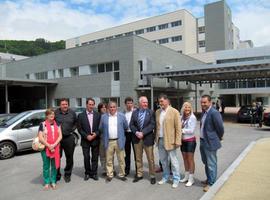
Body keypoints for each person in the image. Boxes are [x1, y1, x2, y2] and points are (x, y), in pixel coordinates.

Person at [155, 94, 181, 188]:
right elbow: (157, 127)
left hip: (171, 141)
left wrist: (178, 140)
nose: (160, 103)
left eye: (162, 101)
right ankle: (165, 177)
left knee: (173, 161)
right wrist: (156, 139)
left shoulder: (174, 112)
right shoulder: (158, 112)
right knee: (163, 161)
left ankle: (176, 178)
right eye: (159, 101)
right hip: (160, 140)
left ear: (167, 101)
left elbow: (178, 128)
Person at [200, 95, 224, 192]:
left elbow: (220, 128)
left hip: (210, 142)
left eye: (205, 102)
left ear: (210, 102)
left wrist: (217, 138)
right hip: (203, 141)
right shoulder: (204, 112)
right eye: (201, 102)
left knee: (211, 163)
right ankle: (209, 179)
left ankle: (212, 183)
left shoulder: (214, 113)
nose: (203, 104)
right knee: (206, 162)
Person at [99, 101, 128, 182]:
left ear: (116, 107)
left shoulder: (121, 116)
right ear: (108, 108)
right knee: (109, 160)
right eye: (110, 107)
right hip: (108, 141)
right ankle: (109, 174)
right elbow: (100, 128)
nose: (112, 108)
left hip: (119, 141)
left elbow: (126, 126)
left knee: (121, 160)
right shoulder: (103, 117)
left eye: (114, 107)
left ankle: (122, 174)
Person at [130, 96, 156, 185]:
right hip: (137, 139)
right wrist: (136, 132)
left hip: (147, 138)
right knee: (138, 158)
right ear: (140, 103)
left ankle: (152, 175)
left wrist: (143, 133)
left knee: (150, 159)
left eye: (147, 102)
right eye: (144, 102)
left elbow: (152, 125)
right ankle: (139, 174)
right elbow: (131, 125)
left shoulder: (151, 112)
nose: (146, 104)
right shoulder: (134, 113)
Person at [38, 108, 62, 190]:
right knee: (46, 166)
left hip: (55, 148)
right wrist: (49, 146)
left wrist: (54, 145)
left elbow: (60, 136)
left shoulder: (57, 124)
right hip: (45, 148)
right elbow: (40, 137)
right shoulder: (42, 124)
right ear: (46, 116)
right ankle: (47, 182)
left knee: (54, 166)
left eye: (53, 114)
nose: (52, 115)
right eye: (50, 114)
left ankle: (53, 181)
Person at [77, 98, 101, 181]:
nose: (91, 106)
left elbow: (100, 128)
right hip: (85, 140)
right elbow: (79, 129)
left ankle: (94, 173)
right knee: (86, 157)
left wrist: (95, 134)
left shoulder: (98, 115)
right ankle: (87, 173)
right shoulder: (80, 115)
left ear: (94, 105)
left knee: (94, 158)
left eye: (92, 104)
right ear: (86, 105)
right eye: (89, 104)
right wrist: (86, 136)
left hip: (95, 139)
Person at [55, 98, 77, 183]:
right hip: (57, 139)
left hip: (69, 138)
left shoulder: (72, 113)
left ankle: (67, 174)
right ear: (60, 105)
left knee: (69, 157)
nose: (65, 106)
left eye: (66, 104)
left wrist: (72, 130)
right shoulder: (56, 113)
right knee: (57, 157)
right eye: (63, 104)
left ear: (68, 105)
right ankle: (57, 174)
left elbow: (76, 122)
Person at [179, 102, 197, 187]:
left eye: (189, 107)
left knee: (190, 160)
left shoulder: (192, 118)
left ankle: (191, 178)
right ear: (183, 108)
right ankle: (186, 177)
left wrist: (181, 130)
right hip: (183, 141)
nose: (187, 109)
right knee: (185, 159)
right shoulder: (181, 117)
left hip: (190, 141)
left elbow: (191, 130)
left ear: (191, 109)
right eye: (185, 107)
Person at [123, 97, 137, 177]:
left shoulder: (136, 112)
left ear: (133, 104)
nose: (129, 105)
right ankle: (127, 170)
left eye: (131, 103)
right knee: (127, 154)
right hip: (126, 134)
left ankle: (137, 170)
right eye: (128, 103)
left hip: (134, 134)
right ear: (125, 104)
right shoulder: (123, 113)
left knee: (136, 153)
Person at [97, 102, 107, 176]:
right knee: (102, 155)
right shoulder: (97, 116)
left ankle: (110, 169)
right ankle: (104, 169)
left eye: (105, 107)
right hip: (100, 138)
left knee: (109, 155)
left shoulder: (109, 116)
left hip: (108, 138)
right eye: (102, 107)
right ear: (99, 109)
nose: (104, 108)